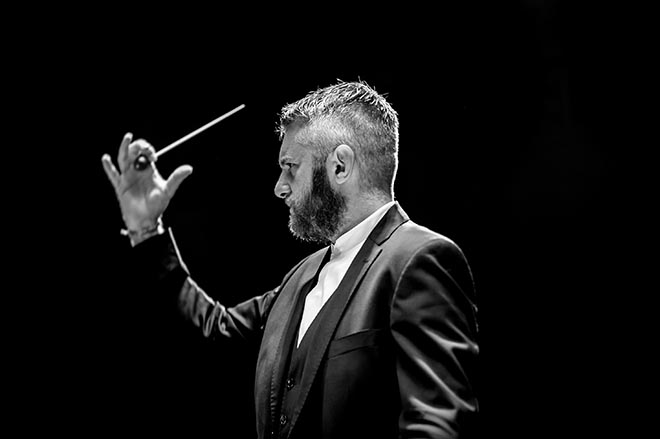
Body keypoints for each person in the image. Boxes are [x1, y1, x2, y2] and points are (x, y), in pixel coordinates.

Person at [101, 81, 479, 439]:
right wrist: (146, 231)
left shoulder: (419, 259)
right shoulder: (301, 276)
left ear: (340, 166)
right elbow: (214, 333)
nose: (279, 187)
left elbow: (436, 424)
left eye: (291, 167)